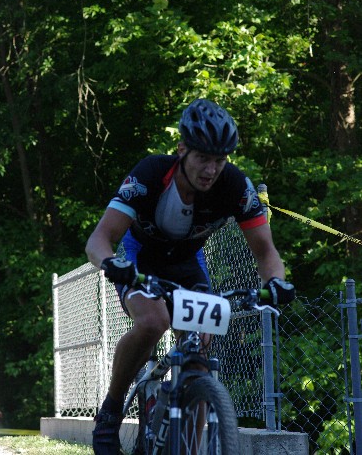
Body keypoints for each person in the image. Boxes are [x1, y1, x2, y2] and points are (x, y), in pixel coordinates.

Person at [86, 98, 295, 455]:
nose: (211, 169)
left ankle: (190, 445)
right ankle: (111, 411)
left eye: (219, 159)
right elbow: (99, 240)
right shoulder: (151, 173)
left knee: (200, 346)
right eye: (203, 158)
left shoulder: (235, 186)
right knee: (154, 321)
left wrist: (275, 282)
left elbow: (266, 252)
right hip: (139, 258)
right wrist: (110, 263)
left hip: (186, 263)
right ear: (182, 149)